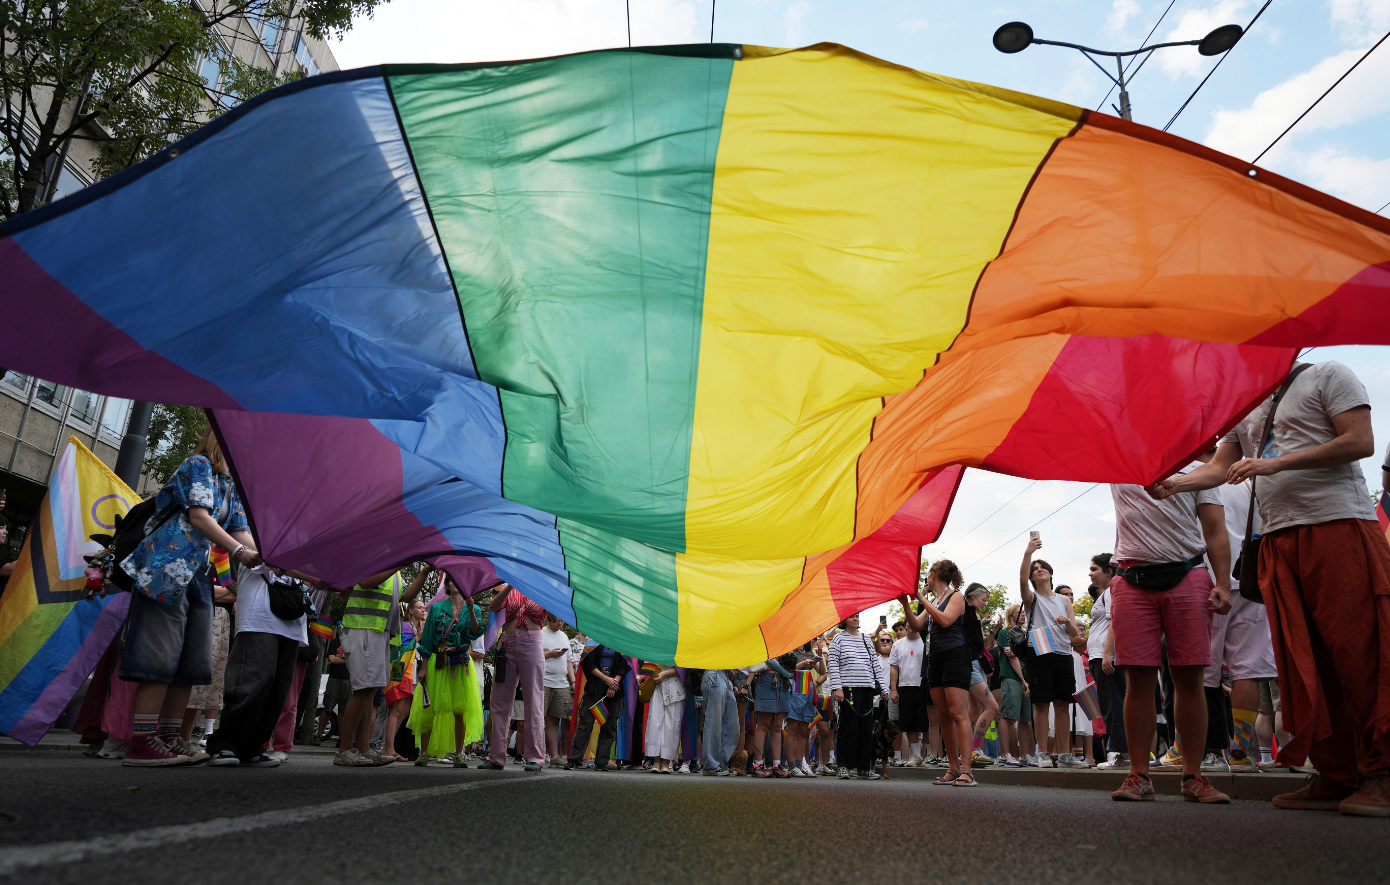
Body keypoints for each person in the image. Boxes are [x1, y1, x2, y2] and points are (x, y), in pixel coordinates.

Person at [1151, 361, 1388, 815]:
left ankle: (1383, 773)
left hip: (1338, 526)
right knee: (1307, 663)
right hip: (1278, 541)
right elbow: (1221, 465)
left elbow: (1360, 441)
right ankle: (1337, 774)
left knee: (1362, 656)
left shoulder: (1329, 375)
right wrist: (1174, 484)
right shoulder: (1247, 403)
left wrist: (1272, 464)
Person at [119, 428, 259, 766]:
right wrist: (239, 551)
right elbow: (199, 517)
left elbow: (242, 532)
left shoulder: (231, 485)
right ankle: (141, 743)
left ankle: (171, 738)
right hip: (166, 568)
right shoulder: (198, 465)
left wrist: (278, 557)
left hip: (197, 573)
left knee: (192, 658)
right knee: (160, 653)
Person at [1107, 453, 1232, 803]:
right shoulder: (1120, 464)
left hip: (1188, 575)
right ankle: (1138, 775)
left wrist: (1222, 582)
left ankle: (1193, 776)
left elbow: (1215, 530)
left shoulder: (1198, 471)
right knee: (1138, 681)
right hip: (1131, 580)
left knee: (1190, 679)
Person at [207, 566, 316, 767]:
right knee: (253, 680)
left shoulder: (303, 541)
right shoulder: (258, 534)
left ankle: (253, 746)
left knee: (278, 688)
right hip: (259, 615)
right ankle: (227, 743)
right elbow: (261, 559)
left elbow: (311, 579)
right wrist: (314, 576)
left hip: (291, 619)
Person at [334, 566, 431, 767]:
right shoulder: (379, 557)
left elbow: (407, 596)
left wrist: (425, 571)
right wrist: (400, 561)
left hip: (378, 632)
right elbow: (366, 581)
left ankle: (363, 748)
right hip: (364, 628)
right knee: (363, 689)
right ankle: (344, 749)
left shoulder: (393, 570)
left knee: (369, 690)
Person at [902, 560, 976, 786]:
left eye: (927, 574)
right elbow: (915, 626)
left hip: (955, 658)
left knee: (958, 714)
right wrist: (906, 603)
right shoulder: (934, 600)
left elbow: (944, 620)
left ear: (934, 575)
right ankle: (953, 768)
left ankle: (967, 770)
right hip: (934, 660)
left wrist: (922, 599)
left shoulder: (956, 596)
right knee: (943, 716)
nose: (926, 577)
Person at [1018, 538, 1083, 770]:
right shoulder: (1031, 597)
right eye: (1035, 569)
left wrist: (1066, 622)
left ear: (1050, 573)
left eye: (1042, 566)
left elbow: (1074, 633)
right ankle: (1043, 754)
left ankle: (1065, 754)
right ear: (1033, 577)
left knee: (1064, 703)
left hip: (1063, 652)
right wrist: (1028, 554)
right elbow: (1022, 580)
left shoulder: (1064, 599)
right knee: (1042, 704)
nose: (1039, 570)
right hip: (1039, 652)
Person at [409, 574, 485, 766]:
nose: (455, 583)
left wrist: (470, 610)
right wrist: (424, 667)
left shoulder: (473, 608)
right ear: (447, 585)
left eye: (458, 580)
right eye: (451, 580)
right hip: (438, 660)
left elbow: (475, 632)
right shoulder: (435, 608)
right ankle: (424, 752)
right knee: (429, 707)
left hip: (460, 663)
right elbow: (426, 640)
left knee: (460, 710)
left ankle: (459, 754)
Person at [481, 584, 546, 771]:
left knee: (533, 699)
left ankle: (534, 757)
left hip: (532, 642)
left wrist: (544, 593)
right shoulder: (510, 587)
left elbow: (555, 618)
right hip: (507, 644)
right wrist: (510, 585)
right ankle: (496, 757)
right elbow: (493, 607)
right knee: (499, 701)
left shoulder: (542, 588)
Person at [1086, 554, 1127, 770]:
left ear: (1109, 571)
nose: (1090, 574)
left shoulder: (1112, 590)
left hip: (1106, 656)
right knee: (1110, 704)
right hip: (1099, 655)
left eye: (1095, 569)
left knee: (1113, 704)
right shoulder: (1106, 594)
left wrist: (1108, 653)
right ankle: (1121, 752)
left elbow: (1114, 621)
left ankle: (1119, 754)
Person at [185, 579, 235, 746]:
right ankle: (179, 733)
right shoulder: (197, 557)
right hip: (195, 613)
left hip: (219, 618)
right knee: (190, 674)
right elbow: (187, 587)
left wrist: (202, 591)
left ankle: (207, 731)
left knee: (214, 676)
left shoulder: (223, 559)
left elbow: (235, 592)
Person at [566, 642, 630, 770]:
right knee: (585, 723)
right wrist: (605, 679)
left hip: (615, 688)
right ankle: (574, 759)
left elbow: (624, 665)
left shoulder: (621, 639)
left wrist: (613, 683)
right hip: (595, 686)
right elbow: (588, 663)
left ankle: (601, 762)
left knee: (610, 725)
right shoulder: (593, 640)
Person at [382, 597, 427, 761]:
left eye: (424, 608)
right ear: (410, 611)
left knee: (405, 711)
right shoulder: (404, 627)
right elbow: (398, 650)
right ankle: (389, 749)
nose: (423, 610)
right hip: (400, 671)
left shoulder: (419, 628)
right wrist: (417, 638)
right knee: (396, 709)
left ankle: (388, 748)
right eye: (420, 608)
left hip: (413, 672)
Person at [963, 583, 1001, 768]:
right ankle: (974, 750)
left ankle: (967, 752)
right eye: (983, 599)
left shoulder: (975, 617)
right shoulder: (963, 613)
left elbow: (982, 647)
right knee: (992, 707)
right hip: (969, 666)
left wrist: (993, 631)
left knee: (973, 711)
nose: (985, 603)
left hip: (977, 664)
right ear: (971, 596)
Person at [996, 604, 1033, 766]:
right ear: (1012, 615)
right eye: (1020, 612)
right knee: (1008, 716)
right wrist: (1024, 681)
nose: (1023, 615)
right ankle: (1005, 754)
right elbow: (1012, 658)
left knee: (1025, 719)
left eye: (1024, 612)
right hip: (1012, 678)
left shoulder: (1025, 635)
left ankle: (1025, 755)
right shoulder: (1005, 633)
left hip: (1026, 681)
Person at [889, 617, 926, 767]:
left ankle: (931, 755)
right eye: (908, 623)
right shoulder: (897, 644)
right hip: (904, 687)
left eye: (914, 622)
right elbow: (894, 667)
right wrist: (893, 689)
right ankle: (916, 755)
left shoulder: (926, 642)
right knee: (908, 724)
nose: (910, 625)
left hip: (924, 686)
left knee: (926, 723)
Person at [750, 655, 794, 777]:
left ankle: (776, 765)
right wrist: (785, 672)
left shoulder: (789, 641)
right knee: (763, 725)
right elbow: (766, 656)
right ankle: (758, 764)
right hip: (768, 679)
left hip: (782, 683)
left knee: (777, 726)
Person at [541, 613, 575, 768]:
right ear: (549, 618)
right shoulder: (540, 633)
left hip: (561, 683)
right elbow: (533, 656)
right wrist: (550, 654)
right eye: (557, 620)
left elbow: (569, 662)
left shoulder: (564, 636)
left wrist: (573, 681)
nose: (560, 623)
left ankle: (554, 755)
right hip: (543, 681)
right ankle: (537, 754)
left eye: (562, 620)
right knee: (538, 719)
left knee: (554, 720)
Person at [644, 664, 685, 773]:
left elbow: (683, 667)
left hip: (675, 687)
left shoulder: (680, 647)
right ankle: (656, 761)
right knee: (655, 722)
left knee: (672, 725)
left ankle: (666, 762)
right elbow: (649, 661)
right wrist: (641, 676)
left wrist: (665, 673)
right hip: (657, 686)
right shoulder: (658, 646)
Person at [700, 667, 738, 776]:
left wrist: (729, 677)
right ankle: (710, 765)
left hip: (724, 676)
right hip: (713, 674)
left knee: (731, 725)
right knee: (713, 724)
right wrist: (730, 672)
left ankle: (721, 764)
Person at [317, 633, 350, 745]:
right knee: (328, 707)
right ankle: (318, 735)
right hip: (334, 678)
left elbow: (356, 660)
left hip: (349, 680)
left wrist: (340, 657)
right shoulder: (336, 641)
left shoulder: (355, 642)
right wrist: (347, 659)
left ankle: (341, 739)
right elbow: (332, 659)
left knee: (343, 711)